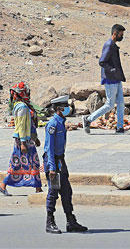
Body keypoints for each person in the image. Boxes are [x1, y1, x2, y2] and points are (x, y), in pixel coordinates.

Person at [44, 95, 87, 234]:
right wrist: (51, 167)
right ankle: (50, 221)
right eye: (66, 107)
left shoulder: (61, 122)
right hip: (53, 162)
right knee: (53, 191)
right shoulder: (52, 125)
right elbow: (49, 148)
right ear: (59, 109)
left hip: (60, 160)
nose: (69, 109)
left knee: (66, 191)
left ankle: (71, 221)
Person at [0, 82, 42, 196]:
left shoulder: (23, 105)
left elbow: (30, 125)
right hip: (24, 141)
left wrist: (35, 138)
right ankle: (4, 185)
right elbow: (22, 126)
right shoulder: (22, 107)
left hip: (27, 139)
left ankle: (37, 188)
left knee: (23, 162)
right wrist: (23, 143)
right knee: (26, 162)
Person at [83, 24, 126, 134]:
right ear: (114, 34)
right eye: (121, 35)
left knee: (121, 103)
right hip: (110, 80)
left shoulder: (113, 45)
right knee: (110, 104)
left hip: (117, 79)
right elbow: (102, 61)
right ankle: (88, 119)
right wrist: (112, 70)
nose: (122, 37)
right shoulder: (109, 45)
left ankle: (120, 127)